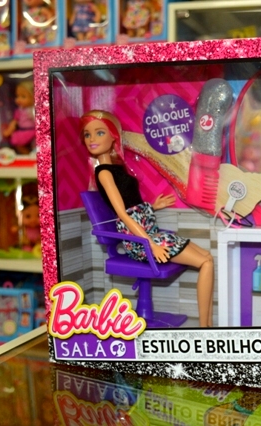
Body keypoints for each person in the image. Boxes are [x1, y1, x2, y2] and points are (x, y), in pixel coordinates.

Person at [80, 110, 214, 327]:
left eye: (99, 132)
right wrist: (151, 245)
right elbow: (123, 214)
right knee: (205, 262)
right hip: (140, 242)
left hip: (148, 234)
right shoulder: (103, 172)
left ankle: (209, 325)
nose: (92, 139)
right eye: (87, 134)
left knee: (208, 257)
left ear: (114, 136)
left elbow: (130, 203)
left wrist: (152, 206)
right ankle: (205, 327)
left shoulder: (115, 169)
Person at [2, 81, 36, 155]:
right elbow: (14, 122)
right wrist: (9, 131)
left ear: (33, 97)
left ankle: (33, 154)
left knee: (35, 143)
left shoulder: (34, 109)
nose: (19, 99)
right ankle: (27, 155)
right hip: (23, 131)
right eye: (17, 96)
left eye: (23, 97)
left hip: (33, 131)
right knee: (17, 143)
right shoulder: (19, 111)